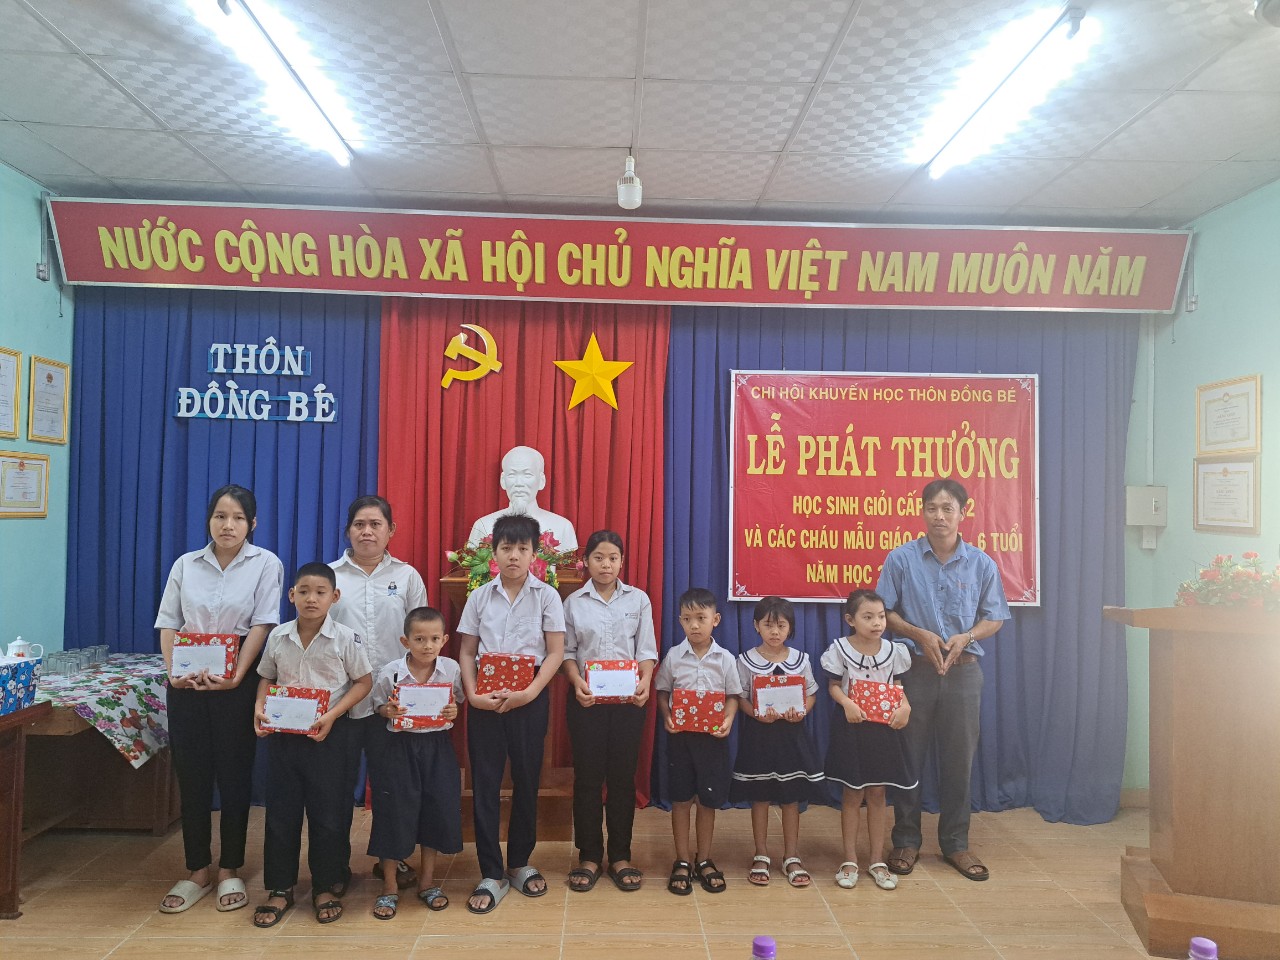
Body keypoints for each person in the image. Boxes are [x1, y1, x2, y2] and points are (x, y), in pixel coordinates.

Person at [154, 484, 283, 915]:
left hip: (237, 680)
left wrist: (237, 677)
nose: (228, 525)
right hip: (186, 681)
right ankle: (197, 870)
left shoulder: (266, 563)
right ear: (209, 520)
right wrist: (174, 673)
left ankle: (229, 867)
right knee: (191, 776)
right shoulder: (186, 564)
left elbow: (263, 624)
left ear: (252, 523)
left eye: (238, 518)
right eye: (220, 516)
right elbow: (169, 622)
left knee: (234, 775)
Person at [876, 478, 1010, 882]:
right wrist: (918, 633)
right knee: (908, 758)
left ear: (962, 514)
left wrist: (966, 636)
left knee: (959, 761)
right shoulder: (901, 559)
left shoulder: (982, 564)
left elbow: (995, 617)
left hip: (964, 672)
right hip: (914, 672)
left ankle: (956, 843)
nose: (939, 516)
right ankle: (905, 841)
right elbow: (885, 613)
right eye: (932, 508)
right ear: (922, 512)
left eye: (947, 508)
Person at [456, 514, 566, 914]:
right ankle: (491, 872)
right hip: (484, 697)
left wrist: (530, 693)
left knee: (526, 779)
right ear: (494, 553)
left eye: (522, 548)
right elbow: (467, 651)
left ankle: (519, 862)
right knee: (485, 784)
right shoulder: (479, 596)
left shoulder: (547, 596)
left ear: (535, 554)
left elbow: (555, 652)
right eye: (506, 548)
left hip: (529, 696)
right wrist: (472, 694)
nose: (514, 556)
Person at [251, 563, 372, 928]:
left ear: (335, 597)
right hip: (285, 737)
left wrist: (332, 715)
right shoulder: (278, 636)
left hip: (329, 736)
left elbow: (363, 682)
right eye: (303, 591)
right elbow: (266, 677)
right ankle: (280, 887)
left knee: (329, 815)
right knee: (281, 814)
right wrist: (259, 707)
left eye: (320, 592)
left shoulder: (346, 638)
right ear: (292, 596)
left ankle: (325, 886)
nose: (311, 599)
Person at [329, 495, 428, 892]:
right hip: (341, 700)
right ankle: (334, 867)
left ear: (391, 531)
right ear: (348, 530)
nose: (367, 531)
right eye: (359, 524)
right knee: (336, 788)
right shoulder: (331, 577)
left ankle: (393, 859)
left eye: (375, 524)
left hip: (393, 702)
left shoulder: (407, 577)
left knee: (392, 788)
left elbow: (422, 638)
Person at [561, 530, 658, 893]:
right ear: (586, 562)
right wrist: (576, 683)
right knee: (587, 779)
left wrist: (645, 681)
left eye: (613, 558)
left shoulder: (638, 600)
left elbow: (646, 650)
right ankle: (588, 855)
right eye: (598, 557)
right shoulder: (573, 603)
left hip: (629, 704)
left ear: (622, 562)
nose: (606, 564)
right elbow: (567, 653)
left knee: (622, 779)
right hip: (585, 701)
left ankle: (620, 855)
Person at [367, 607, 462, 920]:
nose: (427, 645)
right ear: (405, 641)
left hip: (437, 747)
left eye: (434, 639)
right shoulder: (391, 672)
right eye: (419, 639)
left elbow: (456, 702)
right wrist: (387, 711)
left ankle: (427, 882)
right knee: (394, 812)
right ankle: (390, 886)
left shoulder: (451, 669)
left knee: (435, 809)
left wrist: (453, 712)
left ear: (444, 640)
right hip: (400, 748)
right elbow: (377, 705)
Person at [821, 589, 914, 891]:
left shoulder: (894, 651)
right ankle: (849, 859)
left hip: (883, 730)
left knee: (877, 794)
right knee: (852, 794)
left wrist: (905, 707)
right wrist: (847, 703)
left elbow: (897, 687)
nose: (877, 623)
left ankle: (876, 860)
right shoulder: (839, 649)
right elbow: (834, 686)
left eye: (881, 616)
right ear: (850, 619)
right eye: (868, 617)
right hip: (853, 727)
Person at [731, 595, 823, 889]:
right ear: (756, 625)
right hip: (759, 736)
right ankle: (761, 854)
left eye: (781, 625)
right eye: (768, 625)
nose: (774, 631)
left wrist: (802, 712)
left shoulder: (800, 660)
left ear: (790, 628)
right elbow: (740, 697)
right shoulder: (745, 661)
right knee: (760, 796)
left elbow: (811, 694)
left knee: (790, 797)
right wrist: (756, 714)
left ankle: (792, 856)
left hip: (792, 736)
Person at [655, 588, 741, 896]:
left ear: (715, 620)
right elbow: (663, 692)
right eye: (687, 619)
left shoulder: (725, 659)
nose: (694, 625)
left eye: (701, 618)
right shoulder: (673, 657)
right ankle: (681, 859)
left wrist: (728, 720)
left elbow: (733, 696)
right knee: (680, 800)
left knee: (707, 801)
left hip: (713, 741)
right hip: (681, 740)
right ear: (680, 621)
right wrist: (666, 716)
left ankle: (703, 858)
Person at [466, 445, 578, 551]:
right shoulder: (483, 525)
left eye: (527, 475)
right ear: (503, 480)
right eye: (512, 475)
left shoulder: (562, 527)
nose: (519, 483)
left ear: (541, 481)